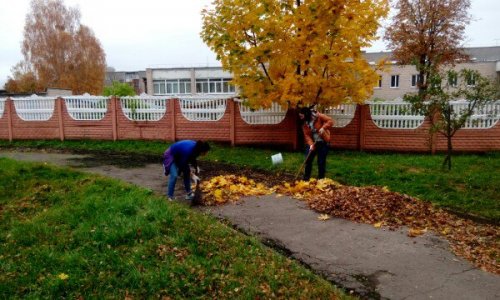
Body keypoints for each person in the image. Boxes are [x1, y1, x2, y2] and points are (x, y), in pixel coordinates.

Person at [298, 106, 334, 180]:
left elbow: (330, 121)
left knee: (321, 161)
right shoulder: (304, 123)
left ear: (306, 114)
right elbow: (307, 135)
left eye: (301, 116)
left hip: (323, 142)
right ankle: (306, 178)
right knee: (308, 160)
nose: (300, 117)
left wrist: (323, 128)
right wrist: (311, 145)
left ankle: (321, 179)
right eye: (300, 116)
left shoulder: (318, 116)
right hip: (313, 142)